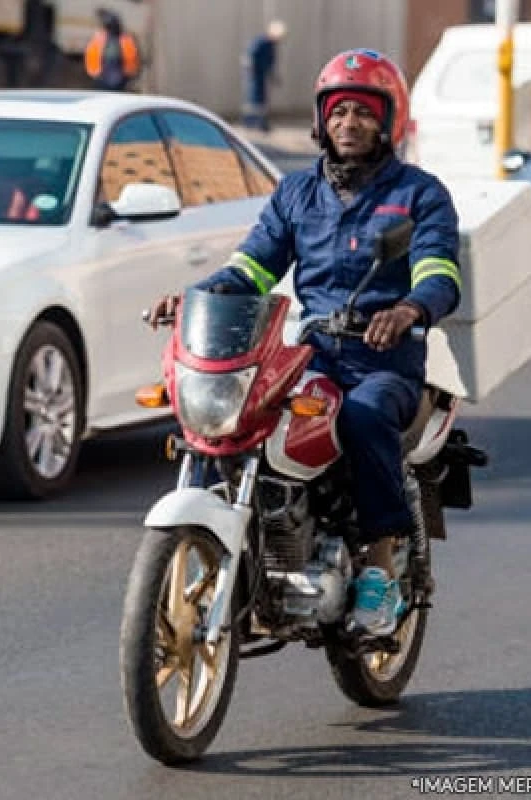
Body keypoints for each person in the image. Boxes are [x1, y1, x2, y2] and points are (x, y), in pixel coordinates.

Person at [150, 49, 462, 637]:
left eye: (363, 112)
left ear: (388, 121)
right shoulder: (296, 193)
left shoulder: (419, 194)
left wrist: (409, 309)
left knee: (364, 416)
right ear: (322, 119)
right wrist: (193, 298)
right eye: (338, 111)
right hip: (314, 354)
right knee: (247, 416)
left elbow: (439, 272)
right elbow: (251, 267)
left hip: (384, 362)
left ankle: (379, 565)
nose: (349, 122)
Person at [241, 19, 288, 131]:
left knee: (262, 100)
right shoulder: (260, 42)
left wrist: (274, 76)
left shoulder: (271, 46)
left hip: (262, 75)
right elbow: (249, 57)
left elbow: (270, 63)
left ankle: (261, 123)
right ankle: (250, 122)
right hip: (255, 75)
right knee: (254, 99)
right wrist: (251, 71)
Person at [84, 8, 141, 91]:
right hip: (118, 80)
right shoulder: (126, 40)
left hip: (102, 79)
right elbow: (134, 63)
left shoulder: (97, 40)